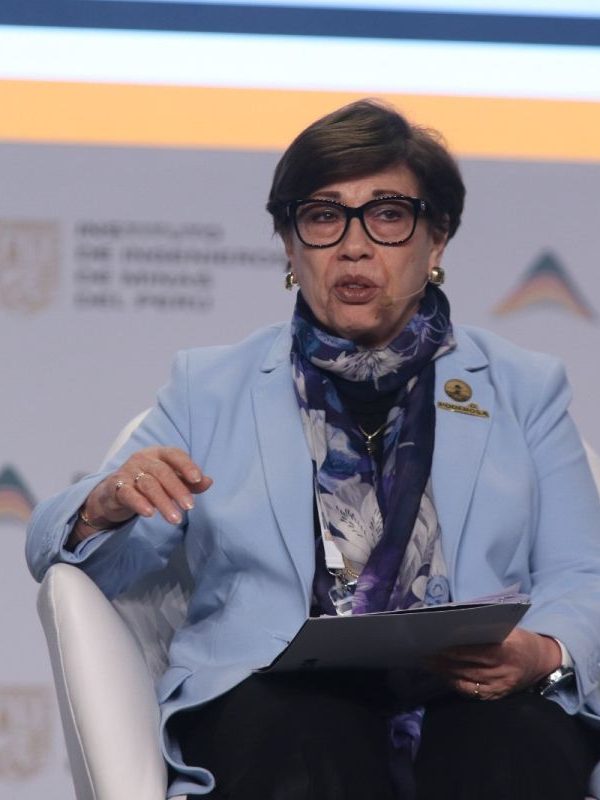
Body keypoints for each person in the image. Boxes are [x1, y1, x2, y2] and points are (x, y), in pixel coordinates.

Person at [26, 99, 600, 799]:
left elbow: (582, 573)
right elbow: (81, 555)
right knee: (302, 739)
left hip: (472, 689)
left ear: (436, 240)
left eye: (387, 214)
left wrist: (541, 652)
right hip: (279, 695)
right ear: (290, 245)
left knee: (511, 746)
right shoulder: (211, 387)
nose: (354, 247)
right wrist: (104, 505)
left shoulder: (521, 387)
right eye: (324, 217)